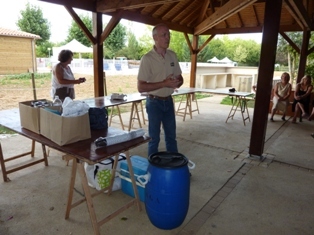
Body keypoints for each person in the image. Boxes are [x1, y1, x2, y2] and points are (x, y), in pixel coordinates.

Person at [137, 23, 183, 157]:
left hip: (168, 101)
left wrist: (176, 83)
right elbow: (141, 87)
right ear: (155, 37)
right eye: (164, 35)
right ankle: (152, 170)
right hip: (154, 103)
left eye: (169, 34)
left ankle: (174, 170)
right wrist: (164, 83)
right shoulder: (147, 59)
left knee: (171, 138)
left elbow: (181, 80)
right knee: (154, 138)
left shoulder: (172, 55)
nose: (168, 38)